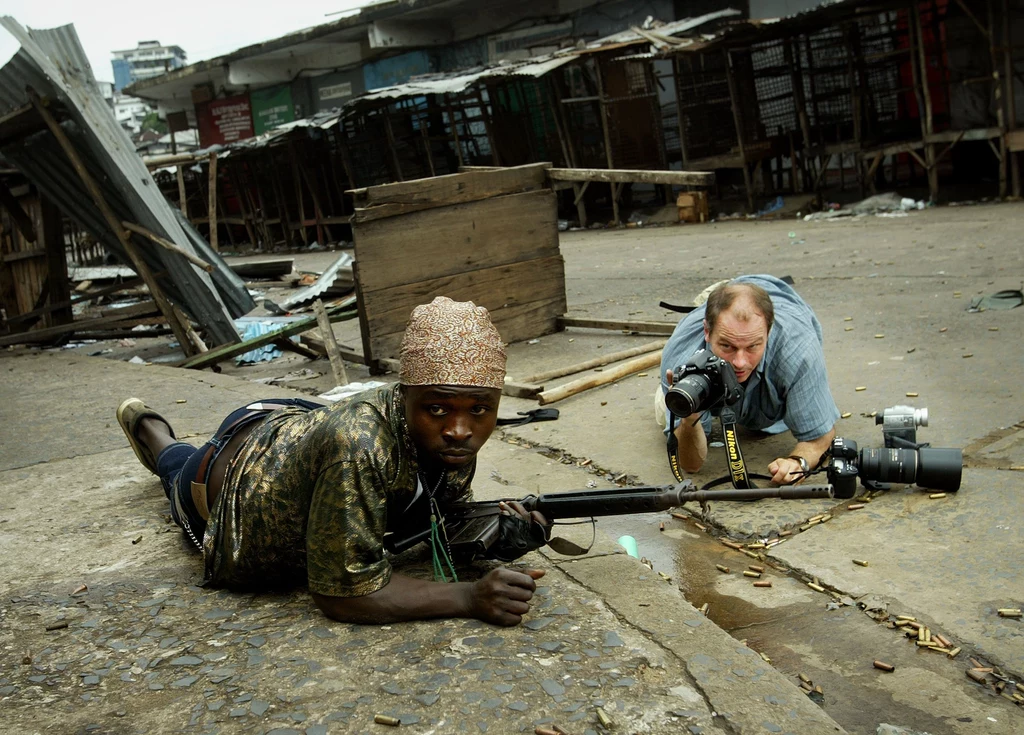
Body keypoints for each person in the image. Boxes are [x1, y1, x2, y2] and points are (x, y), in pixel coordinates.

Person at [116, 297, 549, 626]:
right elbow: (343, 594)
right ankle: (151, 429)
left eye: (479, 409)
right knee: (176, 467)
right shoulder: (359, 447)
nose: (459, 429)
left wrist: (500, 533)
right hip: (226, 477)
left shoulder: (448, 438)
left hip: (292, 421)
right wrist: (469, 597)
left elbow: (437, 517)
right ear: (403, 397)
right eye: (437, 409)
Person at [657, 275, 840, 486]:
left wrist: (798, 462)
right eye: (727, 346)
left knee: (792, 404)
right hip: (708, 322)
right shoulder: (680, 357)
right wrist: (689, 419)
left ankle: (728, 289)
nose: (740, 362)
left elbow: (820, 436)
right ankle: (719, 292)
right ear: (707, 331)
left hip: (784, 302)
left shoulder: (798, 350)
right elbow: (691, 465)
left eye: (753, 346)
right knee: (669, 408)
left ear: (768, 333)